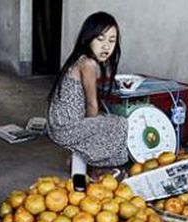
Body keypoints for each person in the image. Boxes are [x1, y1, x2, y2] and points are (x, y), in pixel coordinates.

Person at [47, 12, 128, 181]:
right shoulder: (88, 64)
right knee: (119, 124)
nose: (106, 46)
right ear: (88, 38)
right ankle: (96, 168)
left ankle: (80, 158)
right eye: (100, 39)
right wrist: (97, 129)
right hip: (65, 128)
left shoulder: (80, 59)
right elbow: (92, 106)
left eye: (111, 41)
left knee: (107, 120)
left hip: (58, 124)